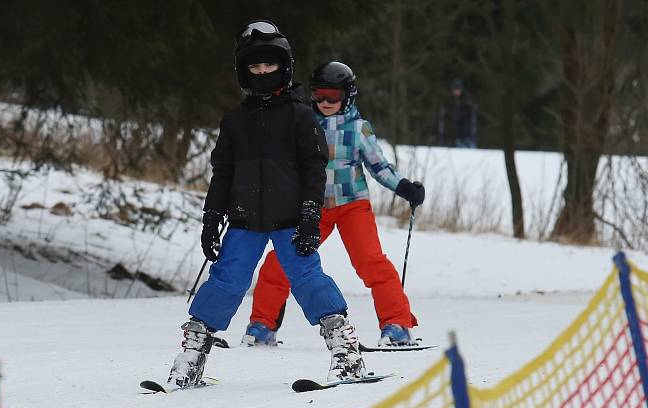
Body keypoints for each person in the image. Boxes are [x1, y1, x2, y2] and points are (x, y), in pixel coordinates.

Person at [167, 22, 368, 388]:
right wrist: (211, 218)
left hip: (291, 219)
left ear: (284, 67)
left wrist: (310, 215)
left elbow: (313, 169)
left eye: (269, 65)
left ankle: (346, 352)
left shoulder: (301, 116)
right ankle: (191, 357)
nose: (262, 72)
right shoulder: (235, 122)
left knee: (308, 279)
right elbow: (222, 173)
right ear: (244, 71)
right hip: (244, 220)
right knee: (226, 281)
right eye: (254, 67)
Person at [242, 61, 425, 349]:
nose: (325, 102)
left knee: (371, 262)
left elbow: (379, 167)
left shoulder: (358, 128)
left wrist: (404, 188)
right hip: (313, 208)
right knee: (278, 263)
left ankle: (397, 325)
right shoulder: (301, 122)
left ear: (348, 95)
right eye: (319, 95)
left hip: (353, 206)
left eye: (333, 96)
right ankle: (262, 326)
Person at [437, 78, 477, 148]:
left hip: (466, 131)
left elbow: (471, 116)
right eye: (455, 90)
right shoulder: (449, 101)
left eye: (458, 89)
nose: (456, 91)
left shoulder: (466, 100)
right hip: (454, 132)